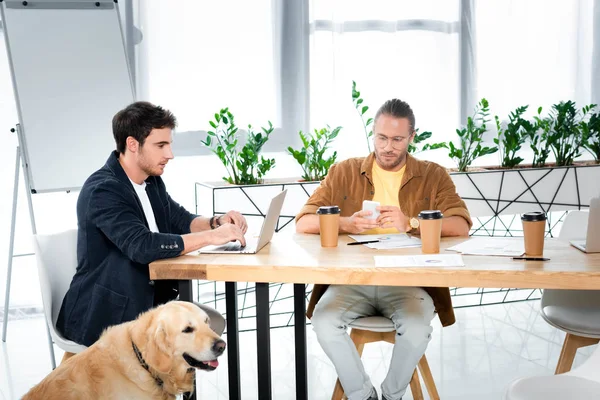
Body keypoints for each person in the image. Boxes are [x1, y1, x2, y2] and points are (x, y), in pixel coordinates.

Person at [295, 99, 472, 400]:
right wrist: (347, 223)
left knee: (417, 329)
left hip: (408, 282)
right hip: (353, 281)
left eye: (397, 139)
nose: (388, 147)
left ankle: (392, 395)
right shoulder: (344, 171)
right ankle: (363, 395)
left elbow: (461, 225)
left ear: (411, 137)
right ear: (373, 133)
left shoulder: (433, 175)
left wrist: (412, 223)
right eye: (381, 137)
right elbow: (303, 221)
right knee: (324, 321)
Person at [57, 101, 247, 353]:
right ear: (132, 144)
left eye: (169, 144)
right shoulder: (103, 190)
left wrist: (217, 222)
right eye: (161, 145)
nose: (170, 154)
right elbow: (142, 246)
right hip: (109, 312)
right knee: (198, 334)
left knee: (210, 325)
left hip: (152, 302)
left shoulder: (151, 181)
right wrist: (213, 236)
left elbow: (180, 220)